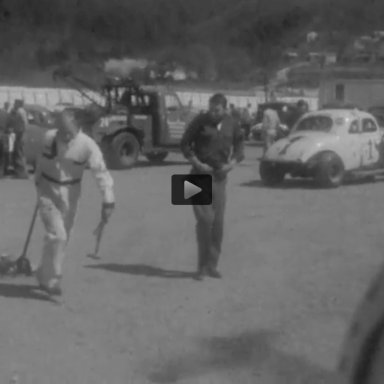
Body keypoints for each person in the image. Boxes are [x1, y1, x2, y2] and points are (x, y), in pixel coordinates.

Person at [34, 109, 115, 296]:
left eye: (69, 132)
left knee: (63, 238)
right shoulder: (48, 138)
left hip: (71, 193)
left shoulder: (88, 146)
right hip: (47, 190)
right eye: (61, 132)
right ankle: (52, 282)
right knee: (58, 235)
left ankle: (43, 273)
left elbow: (101, 173)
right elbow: (40, 161)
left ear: (78, 127)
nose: (65, 136)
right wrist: (37, 183)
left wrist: (108, 201)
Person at [180, 93, 244, 281]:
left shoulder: (232, 123)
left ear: (225, 109)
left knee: (217, 223)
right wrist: (197, 163)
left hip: (219, 177)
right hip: (197, 176)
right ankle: (201, 267)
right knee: (204, 221)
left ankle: (212, 265)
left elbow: (240, 145)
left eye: (216, 110)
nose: (212, 113)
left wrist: (231, 164)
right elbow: (184, 144)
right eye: (210, 109)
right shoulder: (200, 121)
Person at [8, 99, 29, 178]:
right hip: (18, 134)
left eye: (15, 103)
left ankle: (22, 173)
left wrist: (23, 134)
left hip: (20, 134)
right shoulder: (18, 111)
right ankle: (19, 172)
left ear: (18, 104)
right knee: (18, 152)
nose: (14, 104)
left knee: (19, 153)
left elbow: (25, 123)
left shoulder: (20, 111)